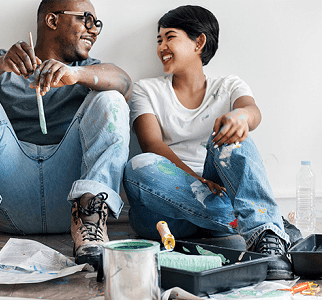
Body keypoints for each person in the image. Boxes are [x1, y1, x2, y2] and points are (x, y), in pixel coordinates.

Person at [0, 0, 131, 269]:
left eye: (97, 24)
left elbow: (124, 82)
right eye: (86, 20)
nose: (94, 30)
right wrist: (1, 64)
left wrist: (76, 74)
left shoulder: (89, 69)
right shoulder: (2, 63)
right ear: (52, 20)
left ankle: (92, 226)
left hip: (70, 206)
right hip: (8, 203)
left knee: (111, 99)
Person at [123, 5, 293, 280]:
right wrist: (197, 181)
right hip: (164, 213)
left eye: (170, 37)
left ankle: (264, 231)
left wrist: (240, 117)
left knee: (232, 136)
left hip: (218, 190)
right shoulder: (147, 89)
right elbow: (151, 143)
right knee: (138, 166)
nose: (162, 47)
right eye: (159, 40)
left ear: (199, 42)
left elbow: (253, 112)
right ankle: (265, 226)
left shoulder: (228, 85)